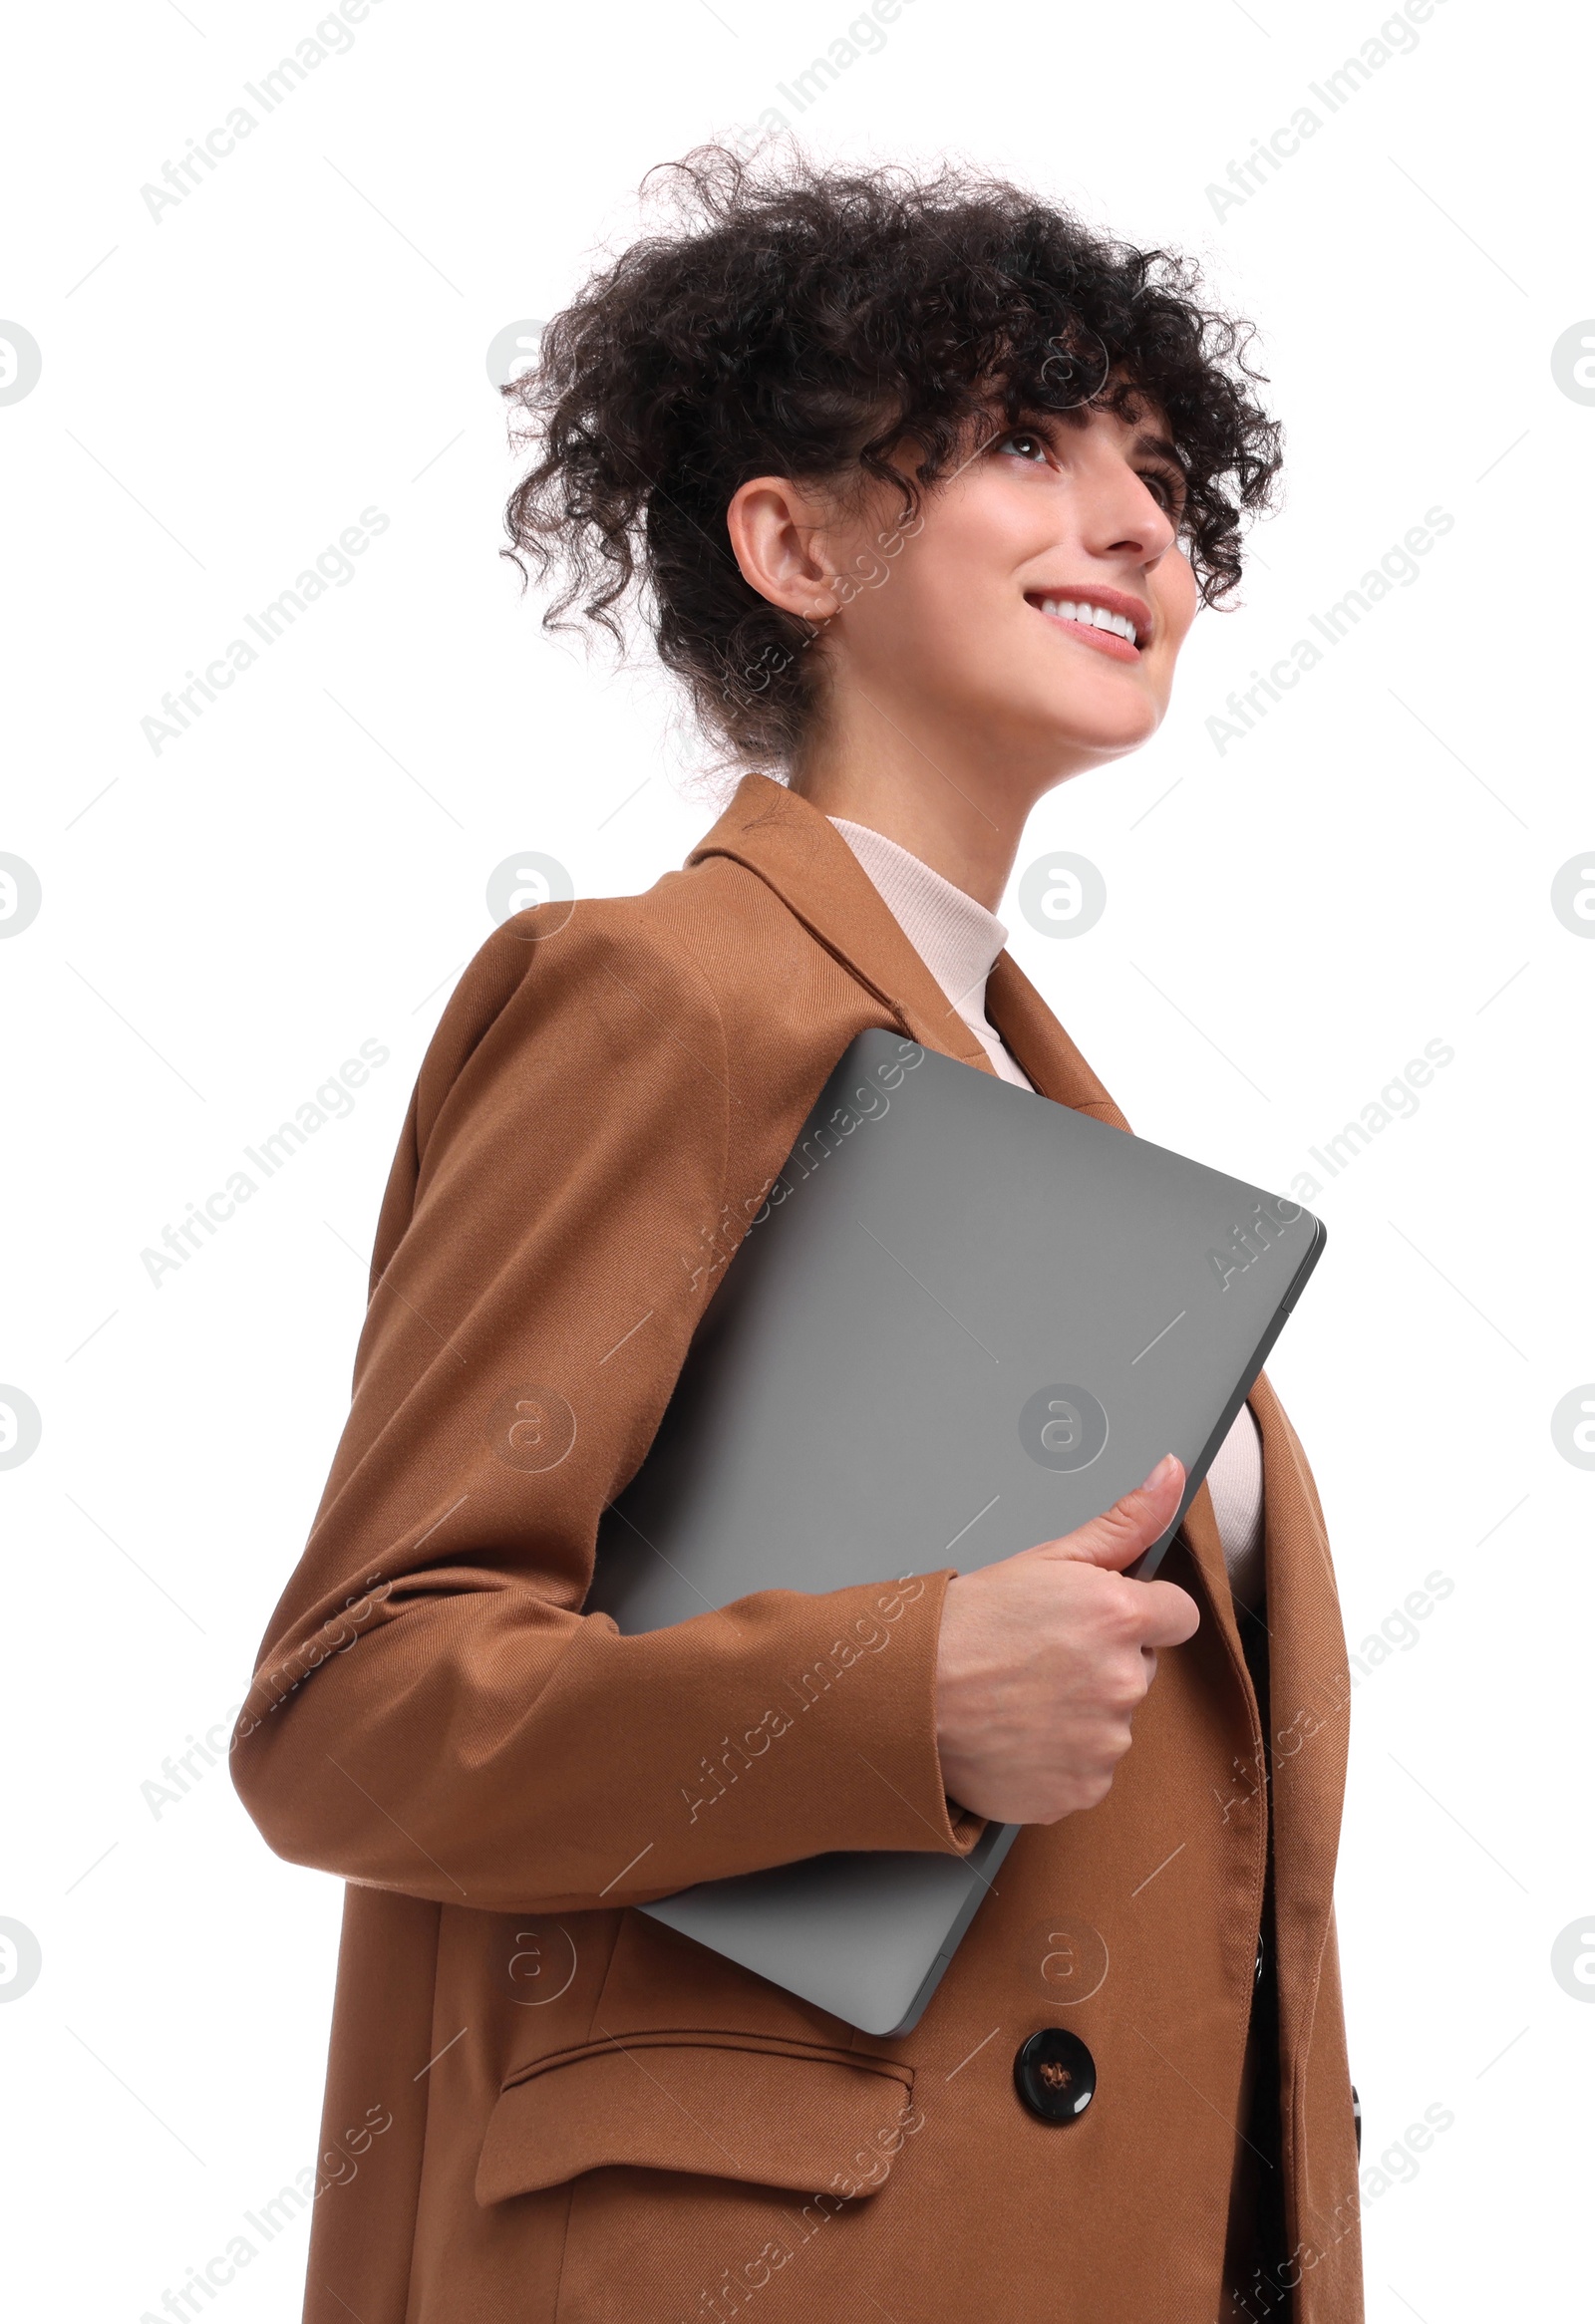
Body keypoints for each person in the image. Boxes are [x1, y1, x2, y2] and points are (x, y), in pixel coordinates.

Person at [232, 145, 1362, 2324]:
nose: (1135, 523)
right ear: (792, 542)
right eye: (1026, 441)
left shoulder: (1027, 1096)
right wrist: (896, 1698)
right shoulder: (663, 993)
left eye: (1154, 465)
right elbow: (349, 1705)